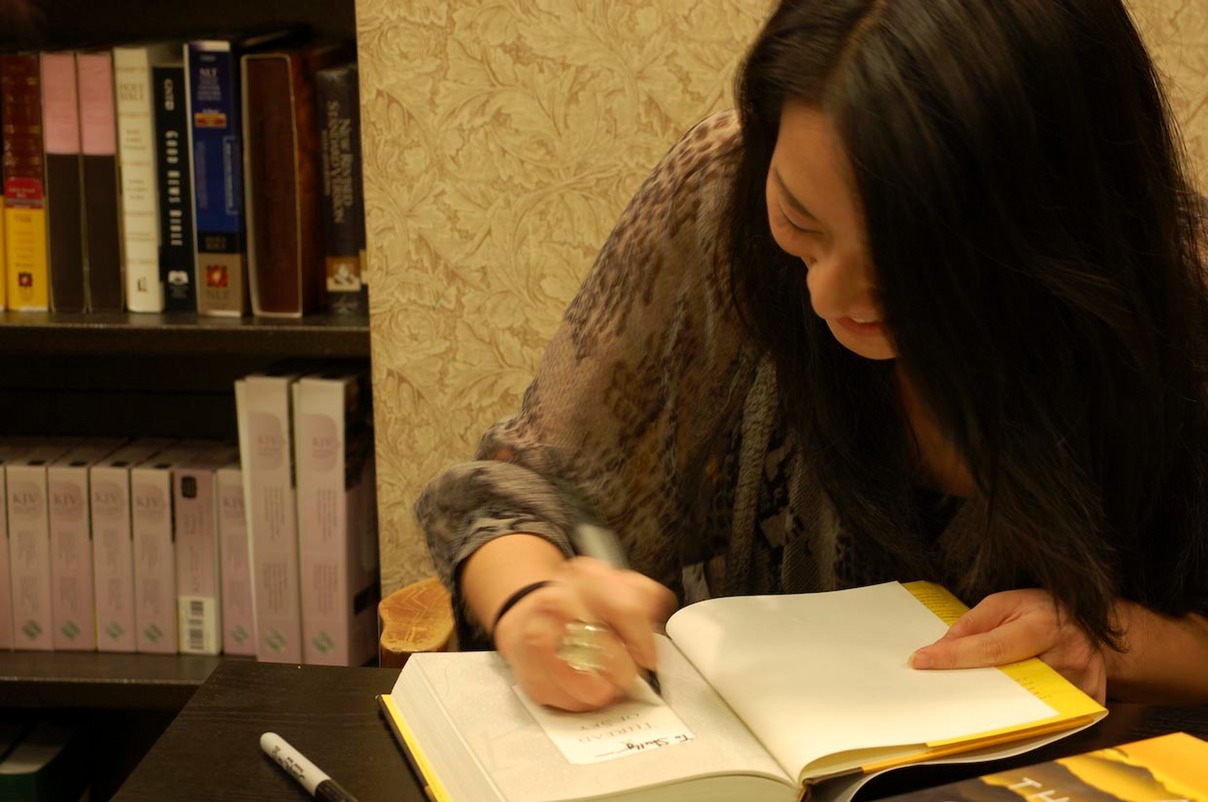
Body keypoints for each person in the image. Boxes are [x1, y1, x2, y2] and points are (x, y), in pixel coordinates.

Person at [416, 0, 1208, 712]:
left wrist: (1118, 641)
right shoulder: (720, 195)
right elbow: (517, 490)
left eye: (906, 266)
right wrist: (532, 596)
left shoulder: (1178, 305)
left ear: (1045, 233)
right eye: (801, 225)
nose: (831, 297)